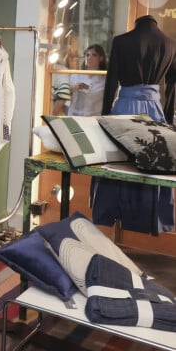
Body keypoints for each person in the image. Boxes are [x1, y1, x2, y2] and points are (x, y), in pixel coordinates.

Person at [92, 15, 176, 234]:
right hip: (155, 115)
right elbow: (173, 86)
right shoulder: (171, 44)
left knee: (117, 166)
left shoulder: (121, 41)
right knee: (151, 168)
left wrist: (105, 116)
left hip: (123, 111)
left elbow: (111, 82)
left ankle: (112, 212)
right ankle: (143, 219)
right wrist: (166, 118)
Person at [67, 44, 107, 116]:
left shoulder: (105, 81)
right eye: (87, 55)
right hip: (74, 117)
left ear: (101, 58)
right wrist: (74, 88)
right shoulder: (76, 76)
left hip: (93, 119)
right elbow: (66, 93)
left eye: (94, 55)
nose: (89, 58)